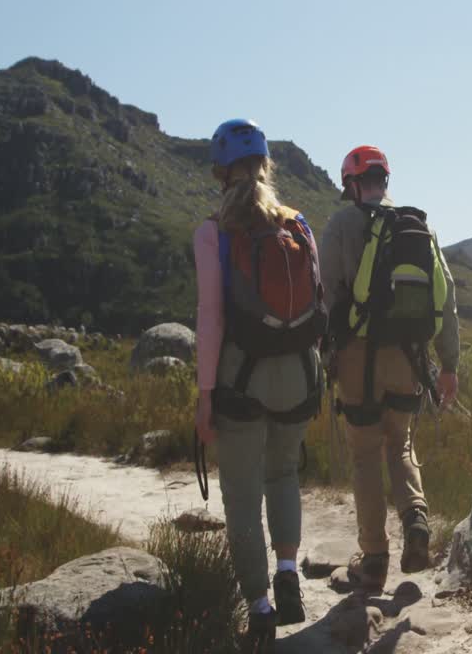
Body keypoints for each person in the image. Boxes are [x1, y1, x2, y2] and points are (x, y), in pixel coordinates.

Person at [193, 119, 325, 652]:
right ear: (267, 165)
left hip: (241, 378)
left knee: (242, 496)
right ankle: (289, 571)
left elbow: (211, 319)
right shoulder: (300, 225)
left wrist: (205, 396)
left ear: (218, 173)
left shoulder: (213, 232)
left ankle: (260, 605)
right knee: (284, 473)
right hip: (298, 373)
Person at [321, 144, 460, 592]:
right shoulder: (418, 227)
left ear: (351, 183)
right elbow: (447, 297)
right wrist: (449, 366)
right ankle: (416, 517)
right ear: (385, 180)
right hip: (408, 356)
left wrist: (326, 357)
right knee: (399, 444)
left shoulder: (341, 224)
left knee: (365, 454)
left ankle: (374, 560)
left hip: (358, 356)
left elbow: (327, 296)